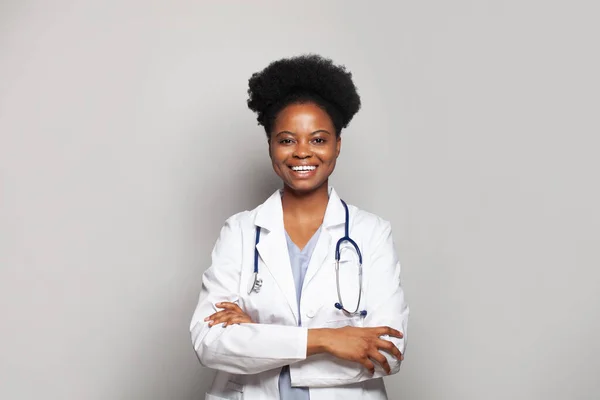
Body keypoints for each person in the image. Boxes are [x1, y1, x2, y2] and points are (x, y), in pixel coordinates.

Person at [190, 54, 409, 400]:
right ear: (271, 146)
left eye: (318, 140)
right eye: (287, 140)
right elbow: (210, 343)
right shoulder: (240, 232)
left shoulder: (371, 234)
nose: (302, 153)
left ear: (338, 144)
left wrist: (260, 339)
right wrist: (326, 339)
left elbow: (386, 353)